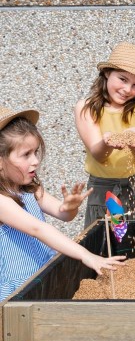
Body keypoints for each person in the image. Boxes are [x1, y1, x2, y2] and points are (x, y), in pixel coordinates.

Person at [0, 106, 125, 301]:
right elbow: (36, 229)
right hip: (19, 286)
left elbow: (64, 215)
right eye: (26, 155)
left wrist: (69, 206)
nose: (35, 161)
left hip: (42, 274)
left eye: (36, 152)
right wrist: (85, 255)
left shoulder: (30, 188)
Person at [74, 42, 135, 227]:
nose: (128, 90)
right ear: (106, 73)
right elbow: (99, 155)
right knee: (104, 246)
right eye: (122, 79)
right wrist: (107, 143)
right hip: (103, 189)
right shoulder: (86, 108)